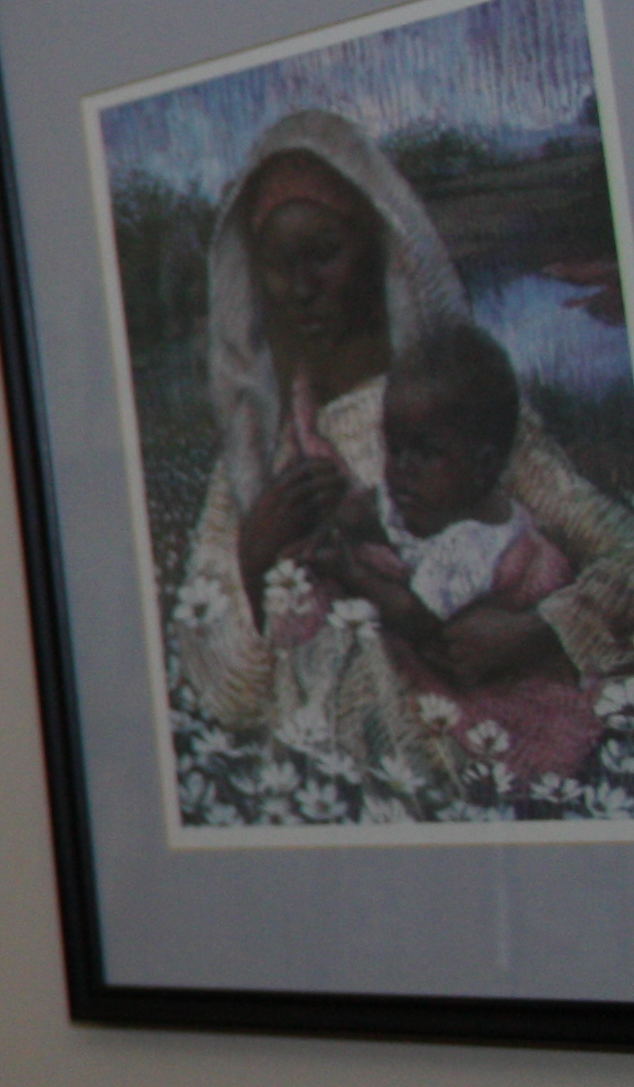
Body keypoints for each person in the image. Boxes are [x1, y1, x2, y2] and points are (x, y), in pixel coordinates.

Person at [170, 110, 632, 750]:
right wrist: (253, 559)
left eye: (324, 254)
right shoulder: (255, 457)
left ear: (377, 245)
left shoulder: (454, 403)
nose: (301, 288)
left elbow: (622, 551)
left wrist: (540, 632)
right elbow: (221, 695)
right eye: (278, 265)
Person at [298, 322, 614, 785]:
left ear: (485, 465)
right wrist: (340, 517)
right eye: (395, 447)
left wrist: (347, 567)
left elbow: (418, 616)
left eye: (424, 452)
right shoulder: (421, 494)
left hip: (493, 698)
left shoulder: (479, 542)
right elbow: (372, 509)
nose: (400, 469)